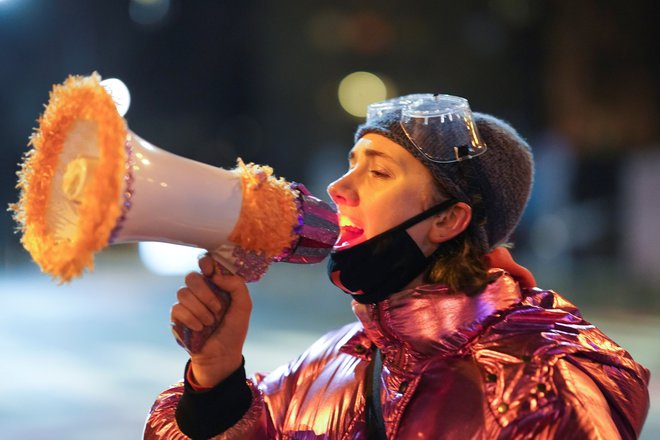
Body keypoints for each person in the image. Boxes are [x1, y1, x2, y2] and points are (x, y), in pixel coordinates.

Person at [144, 94, 649, 439]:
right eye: (352, 162)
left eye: (379, 171)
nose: (340, 189)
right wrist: (216, 378)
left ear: (449, 219)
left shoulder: (547, 381)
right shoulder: (329, 358)